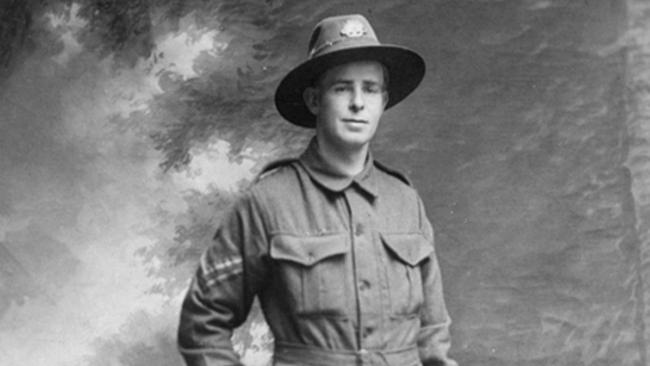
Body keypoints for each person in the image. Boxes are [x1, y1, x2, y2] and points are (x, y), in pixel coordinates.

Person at [177, 14, 457, 366]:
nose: (358, 103)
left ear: (383, 101)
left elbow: (433, 335)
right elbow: (202, 324)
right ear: (314, 100)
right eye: (342, 88)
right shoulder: (267, 203)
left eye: (370, 89)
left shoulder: (406, 203)